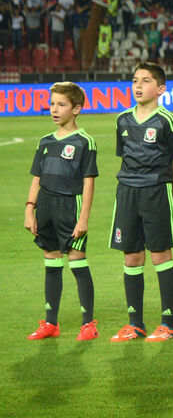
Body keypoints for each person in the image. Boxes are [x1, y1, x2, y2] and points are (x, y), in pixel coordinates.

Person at [108, 63, 173, 342]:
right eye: (135, 80)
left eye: (145, 81)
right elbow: (124, 157)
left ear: (161, 89)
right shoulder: (122, 120)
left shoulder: (168, 121)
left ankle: (168, 324)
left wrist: (165, 188)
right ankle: (135, 324)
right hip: (127, 193)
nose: (138, 86)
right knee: (131, 256)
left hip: (156, 192)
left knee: (160, 255)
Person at [24, 82, 99, 342]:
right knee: (51, 262)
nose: (54, 109)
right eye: (52, 104)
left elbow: (88, 183)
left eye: (61, 104)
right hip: (46, 205)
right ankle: (50, 323)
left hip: (70, 206)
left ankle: (88, 324)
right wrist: (30, 209)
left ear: (76, 109)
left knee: (77, 262)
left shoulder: (85, 141)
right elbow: (36, 178)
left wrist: (83, 218)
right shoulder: (45, 141)